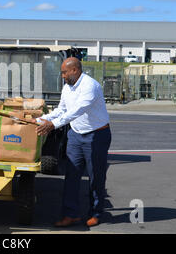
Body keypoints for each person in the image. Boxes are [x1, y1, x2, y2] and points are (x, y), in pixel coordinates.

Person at [33, 57, 111, 228]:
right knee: (72, 176)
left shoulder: (90, 86)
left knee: (95, 177)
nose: (62, 76)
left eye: (64, 72)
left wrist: (53, 125)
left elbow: (77, 111)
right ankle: (71, 214)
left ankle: (96, 213)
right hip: (76, 135)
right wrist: (39, 119)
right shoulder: (68, 87)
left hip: (96, 136)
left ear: (75, 70)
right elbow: (62, 109)